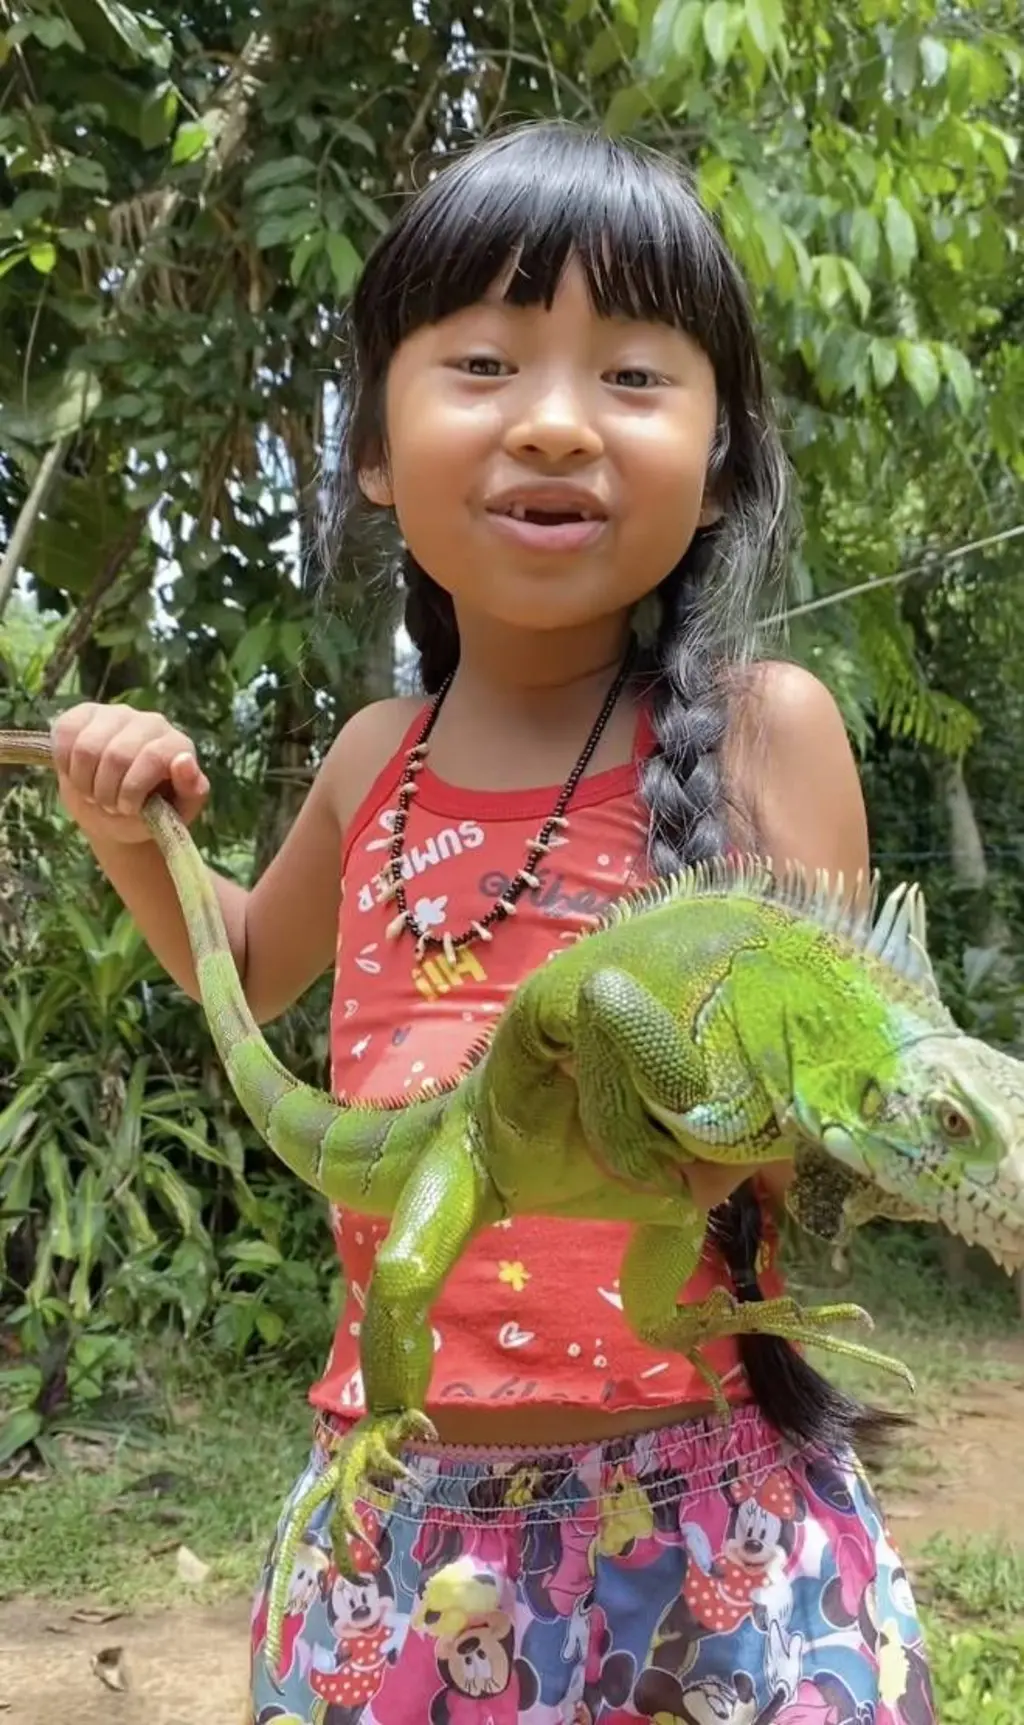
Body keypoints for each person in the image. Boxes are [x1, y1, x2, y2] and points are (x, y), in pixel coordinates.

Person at [49, 123, 934, 1724]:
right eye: (482, 362)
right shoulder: (376, 761)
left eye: (632, 378)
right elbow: (246, 974)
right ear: (376, 445)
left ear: (723, 448)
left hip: (712, 1527)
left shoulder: (768, 732)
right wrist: (139, 836)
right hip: (404, 1540)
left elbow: (838, 1112)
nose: (550, 424)